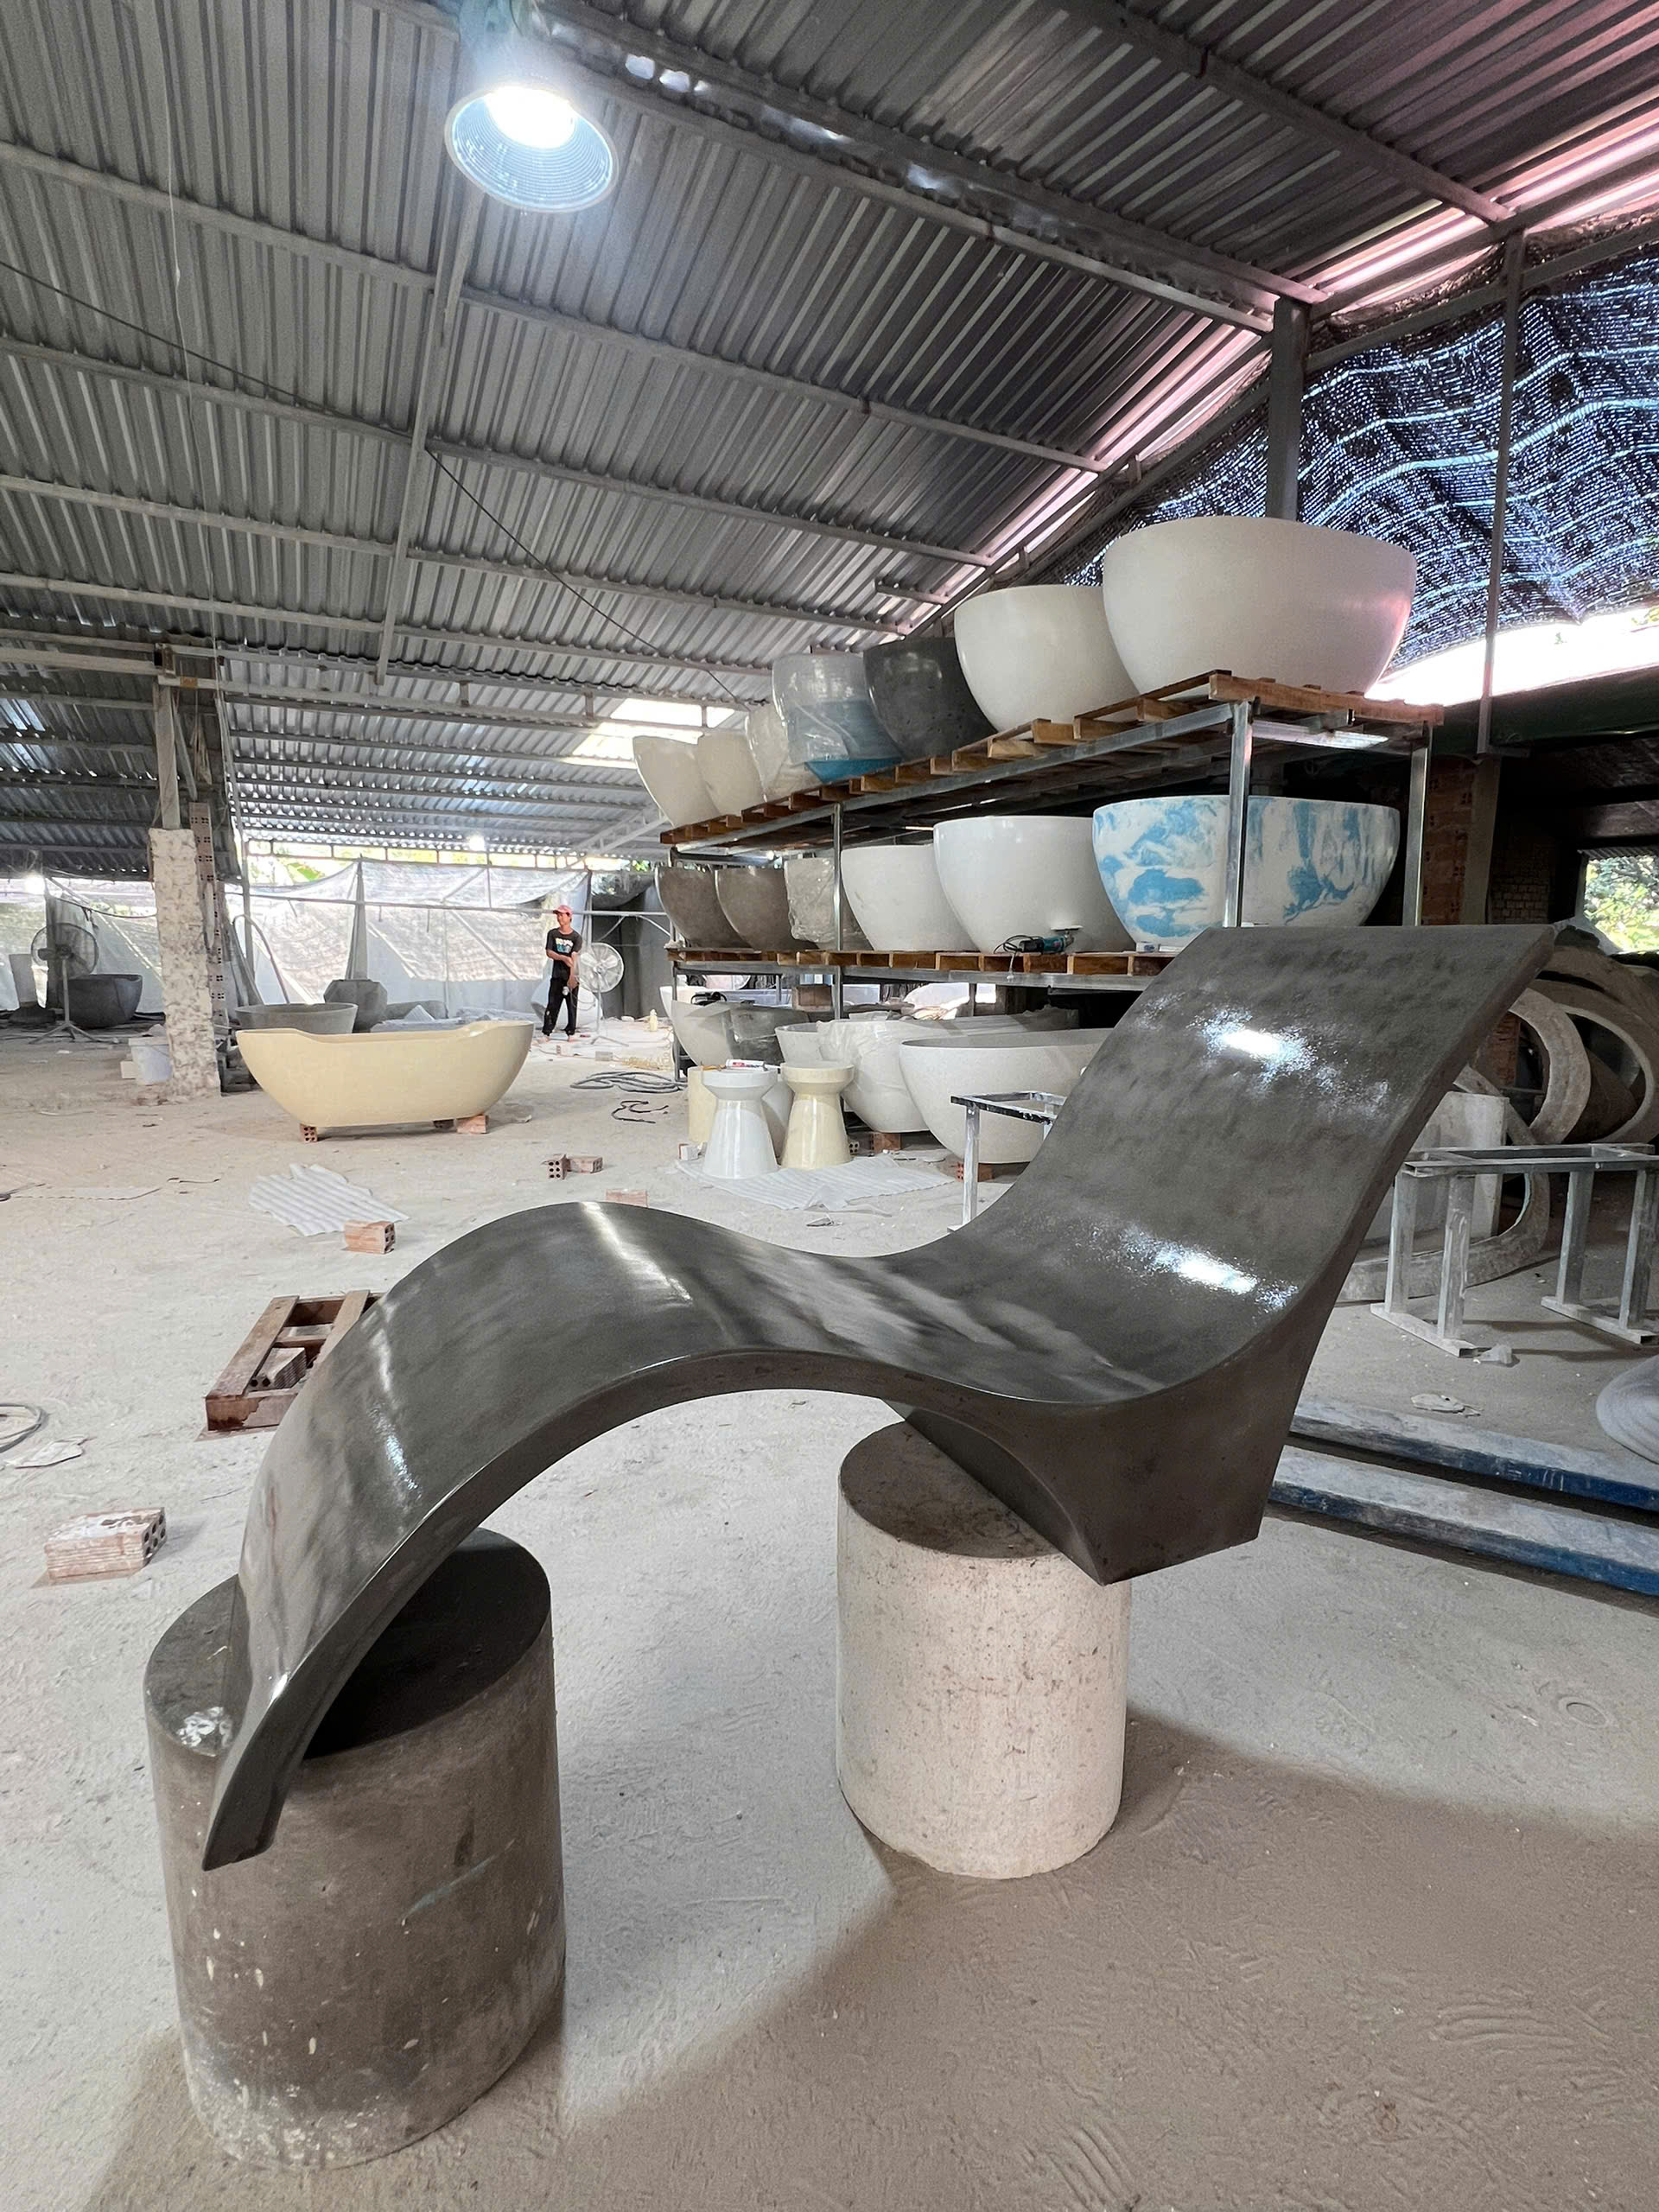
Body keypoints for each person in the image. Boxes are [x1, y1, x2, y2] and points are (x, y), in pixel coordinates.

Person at [543, 903, 582, 1039]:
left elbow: (574, 956)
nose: (559, 918)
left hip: (571, 975)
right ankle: (547, 1032)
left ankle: (571, 1032)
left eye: (562, 915)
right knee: (552, 1005)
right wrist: (563, 958)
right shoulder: (553, 934)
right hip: (557, 976)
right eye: (558, 915)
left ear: (569, 917)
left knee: (572, 1006)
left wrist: (572, 976)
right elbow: (549, 952)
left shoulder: (576, 937)